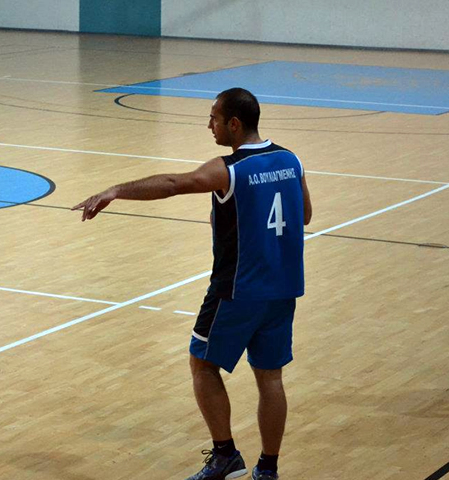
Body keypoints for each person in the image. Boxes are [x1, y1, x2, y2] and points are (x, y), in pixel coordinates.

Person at [73, 87, 312, 480]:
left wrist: (114, 191)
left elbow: (172, 183)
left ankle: (225, 455)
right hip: (283, 289)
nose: (209, 125)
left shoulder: (229, 169)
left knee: (202, 364)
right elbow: (303, 215)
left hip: (237, 290)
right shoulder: (291, 160)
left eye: (214, 118)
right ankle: (267, 469)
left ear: (234, 124)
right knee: (271, 377)